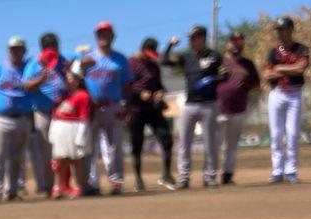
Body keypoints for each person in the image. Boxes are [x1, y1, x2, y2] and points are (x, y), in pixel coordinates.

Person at [163, 26, 222, 188]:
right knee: (184, 142)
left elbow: (224, 74)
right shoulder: (187, 57)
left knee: (210, 142)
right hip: (190, 104)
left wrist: (211, 80)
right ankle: (183, 176)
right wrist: (170, 45)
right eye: (190, 38)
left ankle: (210, 176)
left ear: (203, 38)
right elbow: (165, 61)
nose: (191, 40)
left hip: (209, 103)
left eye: (194, 37)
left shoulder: (214, 56)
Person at [82, 21, 131, 195]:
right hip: (91, 108)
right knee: (89, 146)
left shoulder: (120, 59)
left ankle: (116, 181)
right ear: (96, 37)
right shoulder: (87, 58)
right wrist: (80, 66)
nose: (103, 37)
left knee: (115, 146)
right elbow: (73, 79)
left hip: (113, 105)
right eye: (100, 34)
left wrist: (127, 106)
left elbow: (127, 85)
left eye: (106, 33)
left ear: (112, 36)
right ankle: (90, 182)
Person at [264, 17, 310, 183]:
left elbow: (301, 68)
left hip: (294, 94)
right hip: (277, 94)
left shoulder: (301, 48)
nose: (279, 33)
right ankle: (277, 171)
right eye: (278, 30)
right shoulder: (273, 51)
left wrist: (280, 68)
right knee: (276, 134)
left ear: (290, 30)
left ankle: (291, 170)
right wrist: (289, 70)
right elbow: (267, 74)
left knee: (292, 133)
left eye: (282, 29)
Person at [0, 36, 32, 201]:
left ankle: (12, 191)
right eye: (13, 49)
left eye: (19, 49)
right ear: (8, 51)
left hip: (21, 117)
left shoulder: (29, 69)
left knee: (17, 157)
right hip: (0, 118)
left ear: (24, 51)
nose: (16, 52)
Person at [22, 32, 67, 196]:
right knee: (43, 150)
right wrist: (41, 79)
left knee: (63, 150)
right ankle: (44, 185)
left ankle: (62, 185)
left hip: (63, 113)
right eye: (48, 46)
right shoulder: (35, 64)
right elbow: (26, 85)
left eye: (54, 45)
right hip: (43, 112)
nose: (52, 48)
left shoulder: (64, 61)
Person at [128, 37, 174, 191]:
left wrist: (160, 93)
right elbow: (126, 86)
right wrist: (139, 93)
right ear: (142, 49)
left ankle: (167, 175)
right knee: (137, 145)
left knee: (166, 139)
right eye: (148, 53)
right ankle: (138, 179)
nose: (150, 56)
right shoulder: (131, 63)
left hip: (153, 109)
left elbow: (160, 85)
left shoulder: (154, 66)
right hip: (136, 110)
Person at [216, 32, 260, 185]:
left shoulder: (248, 64)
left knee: (231, 145)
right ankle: (210, 175)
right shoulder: (219, 61)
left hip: (239, 109)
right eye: (233, 41)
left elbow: (256, 84)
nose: (236, 44)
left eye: (239, 41)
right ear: (227, 44)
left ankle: (227, 175)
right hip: (219, 108)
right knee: (215, 144)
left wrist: (245, 80)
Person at [50, 63, 92, 198]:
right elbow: (55, 114)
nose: (68, 80)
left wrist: (81, 135)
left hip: (74, 127)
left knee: (76, 159)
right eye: (67, 77)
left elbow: (83, 118)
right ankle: (58, 186)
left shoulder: (83, 95)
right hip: (60, 127)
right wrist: (53, 131)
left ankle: (78, 185)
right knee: (59, 159)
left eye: (71, 78)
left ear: (78, 80)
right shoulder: (61, 95)